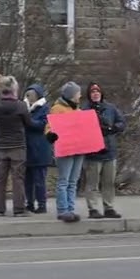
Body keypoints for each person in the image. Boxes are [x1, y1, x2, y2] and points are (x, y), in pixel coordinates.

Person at [0, 76, 31, 217]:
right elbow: (28, 123)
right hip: (18, 146)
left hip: (1, 146)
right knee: (17, 179)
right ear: (14, 89)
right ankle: (19, 209)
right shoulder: (21, 106)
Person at [82, 82, 126, 219]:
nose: (95, 94)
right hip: (93, 152)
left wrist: (113, 128)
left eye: (97, 91)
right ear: (89, 95)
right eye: (92, 92)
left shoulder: (110, 108)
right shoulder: (84, 110)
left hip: (109, 150)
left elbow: (122, 123)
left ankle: (109, 206)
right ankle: (93, 208)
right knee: (92, 183)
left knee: (109, 182)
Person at [48, 82, 85, 223]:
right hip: (66, 149)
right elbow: (49, 125)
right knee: (64, 181)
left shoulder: (78, 110)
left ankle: (70, 209)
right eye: (78, 93)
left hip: (78, 149)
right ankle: (63, 210)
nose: (80, 95)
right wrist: (50, 134)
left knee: (73, 181)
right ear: (72, 95)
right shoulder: (57, 109)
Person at [24, 84, 52, 214]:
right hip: (27, 148)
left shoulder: (44, 108)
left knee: (39, 180)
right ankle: (29, 203)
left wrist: (27, 120)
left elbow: (42, 125)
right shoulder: (25, 108)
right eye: (28, 95)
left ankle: (42, 204)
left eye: (31, 95)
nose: (29, 97)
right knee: (27, 180)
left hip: (40, 148)